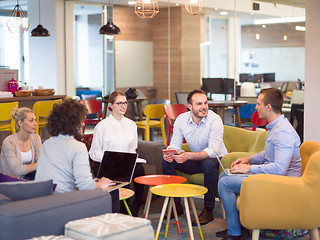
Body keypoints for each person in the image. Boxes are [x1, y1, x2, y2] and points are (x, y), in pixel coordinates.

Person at [217, 88, 302, 240]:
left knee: (225, 183)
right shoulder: (275, 126)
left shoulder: (283, 132)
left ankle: (235, 234)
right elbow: (268, 154)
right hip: (273, 178)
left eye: (258, 104)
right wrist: (249, 159)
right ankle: (238, 227)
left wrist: (248, 169)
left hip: (282, 183)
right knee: (225, 174)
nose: (255, 108)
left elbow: (279, 169)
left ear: (268, 107)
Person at [35, 99, 118, 210]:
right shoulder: (77, 147)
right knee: (113, 192)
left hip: (42, 200)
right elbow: (86, 186)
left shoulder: (47, 143)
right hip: (64, 202)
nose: (83, 123)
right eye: (81, 120)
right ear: (73, 122)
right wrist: (101, 183)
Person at [162, 89, 228, 225]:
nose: (204, 107)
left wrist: (188, 156)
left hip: (215, 158)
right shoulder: (181, 119)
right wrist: (171, 153)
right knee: (167, 162)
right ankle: (177, 205)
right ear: (190, 106)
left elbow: (213, 150)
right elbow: (175, 144)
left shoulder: (215, 120)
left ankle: (208, 210)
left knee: (208, 164)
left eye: (205, 103)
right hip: (194, 159)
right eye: (199, 104)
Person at [89, 91, 145, 217]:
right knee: (120, 175)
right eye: (119, 103)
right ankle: (122, 208)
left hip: (125, 162)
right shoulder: (102, 126)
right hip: (108, 164)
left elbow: (133, 148)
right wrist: (110, 159)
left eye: (125, 103)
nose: (123, 106)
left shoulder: (131, 125)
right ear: (111, 105)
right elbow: (94, 152)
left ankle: (137, 203)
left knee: (139, 169)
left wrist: (130, 159)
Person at [0, 107, 41, 180]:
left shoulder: (36, 138)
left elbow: (41, 161)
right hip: (9, 181)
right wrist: (39, 164)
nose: (35, 124)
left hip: (27, 177)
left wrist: (40, 163)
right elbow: (17, 170)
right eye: (31, 120)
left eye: (35, 120)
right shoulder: (9, 142)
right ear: (20, 123)